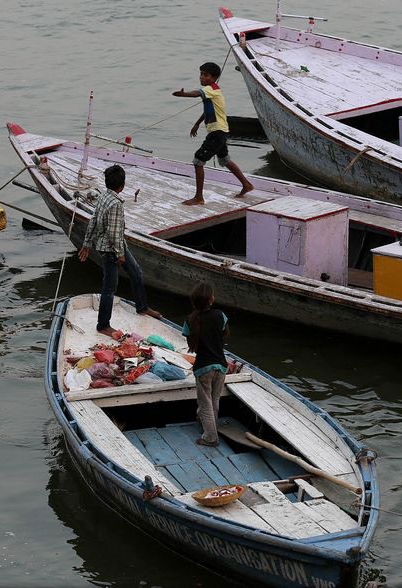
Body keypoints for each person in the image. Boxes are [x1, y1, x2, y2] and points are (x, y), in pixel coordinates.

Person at [78, 164, 162, 336]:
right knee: (110, 288)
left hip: (116, 245)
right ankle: (103, 325)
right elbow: (114, 232)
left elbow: (93, 221)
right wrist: (120, 254)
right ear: (122, 186)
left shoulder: (103, 197)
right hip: (111, 250)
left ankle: (142, 307)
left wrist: (87, 243)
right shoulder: (116, 204)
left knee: (136, 272)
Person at [172, 62, 254, 206]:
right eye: (201, 74)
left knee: (198, 160)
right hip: (221, 131)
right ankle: (246, 184)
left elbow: (196, 93)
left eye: (205, 75)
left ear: (214, 77)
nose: (201, 77)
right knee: (224, 159)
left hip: (217, 132)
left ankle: (199, 197)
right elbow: (207, 110)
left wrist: (183, 94)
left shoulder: (211, 90)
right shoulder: (214, 91)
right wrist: (197, 124)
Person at [182, 283, 229, 447]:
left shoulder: (191, 319)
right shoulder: (220, 315)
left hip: (203, 367)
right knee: (214, 400)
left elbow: (190, 341)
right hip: (221, 365)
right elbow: (224, 334)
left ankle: (210, 437)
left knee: (205, 403)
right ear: (211, 299)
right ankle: (211, 427)